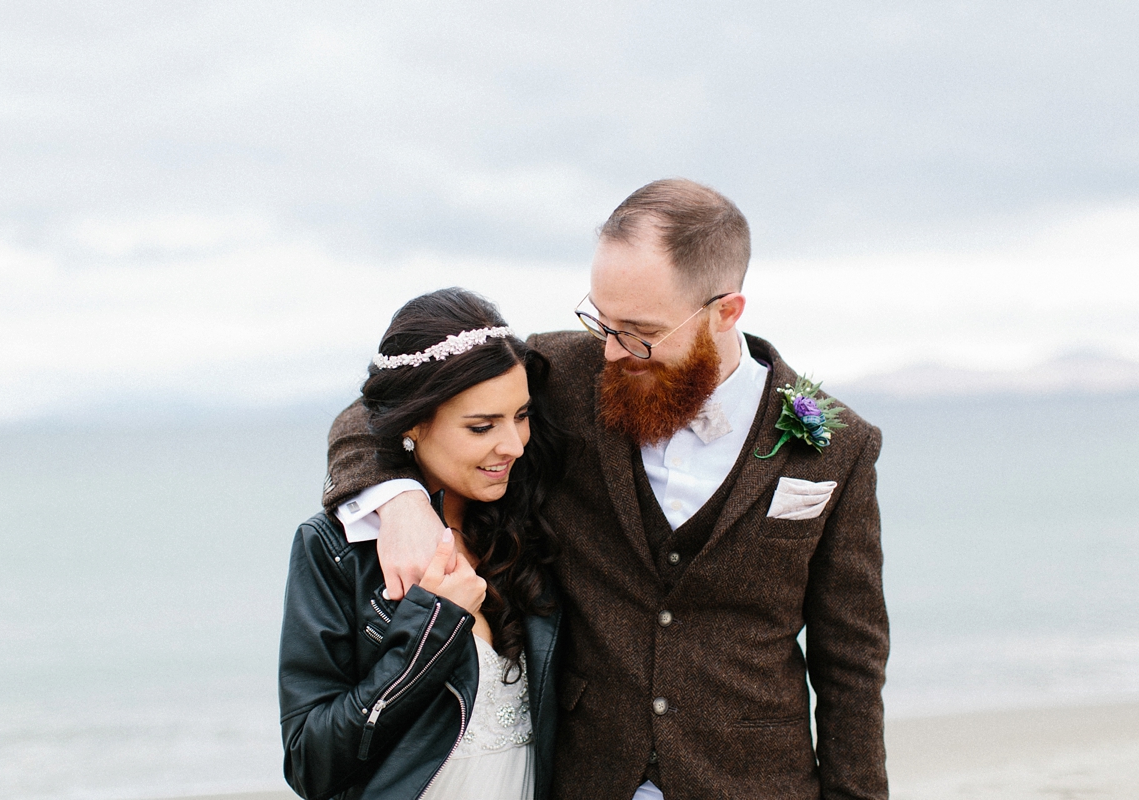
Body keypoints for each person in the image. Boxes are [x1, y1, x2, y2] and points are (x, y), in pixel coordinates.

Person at [323, 180, 889, 800]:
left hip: (755, 782)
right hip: (584, 774)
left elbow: (851, 672)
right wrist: (398, 498)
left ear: (725, 312)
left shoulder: (838, 447)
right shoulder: (560, 374)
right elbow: (378, 409)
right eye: (600, 319)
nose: (612, 351)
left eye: (640, 332)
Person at [278, 288, 564, 800]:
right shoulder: (336, 549)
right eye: (482, 426)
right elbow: (310, 764)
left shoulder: (532, 519)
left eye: (521, 415)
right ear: (413, 422)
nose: (514, 445)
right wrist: (432, 624)